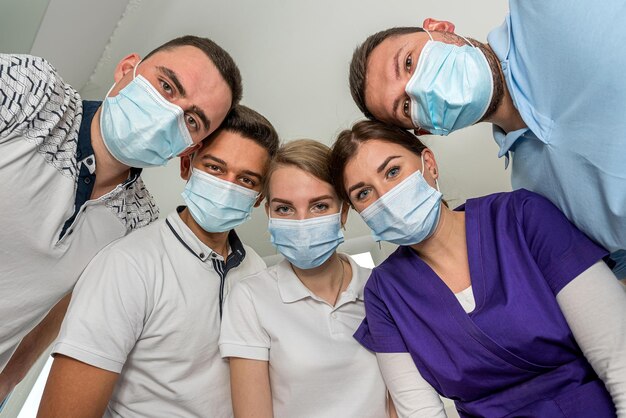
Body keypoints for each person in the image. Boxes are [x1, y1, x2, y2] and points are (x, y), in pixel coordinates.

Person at [329, 120, 626, 417]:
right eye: (363, 194)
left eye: (393, 172)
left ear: (429, 164)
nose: (385, 198)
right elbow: (421, 411)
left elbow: (619, 358)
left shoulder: (522, 217)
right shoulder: (385, 294)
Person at [0, 35, 242, 399]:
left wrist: (11, 378)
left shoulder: (138, 223)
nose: (170, 113)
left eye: (192, 120)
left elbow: (63, 305)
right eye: (166, 86)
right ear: (127, 67)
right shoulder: (33, 91)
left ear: (189, 148)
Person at [348, 4, 626, 280]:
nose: (419, 87)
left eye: (408, 62)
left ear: (440, 28)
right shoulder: (535, 197)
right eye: (406, 106)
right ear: (424, 130)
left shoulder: (547, 9)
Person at [37, 105, 278, 418]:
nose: (227, 186)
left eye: (246, 179)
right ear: (186, 165)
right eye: (216, 169)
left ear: (259, 197)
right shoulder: (127, 265)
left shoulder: (257, 271)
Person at [219, 139, 390, 418]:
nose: (302, 222)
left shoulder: (381, 289)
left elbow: (402, 396)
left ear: (343, 211)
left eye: (319, 206)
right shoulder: (250, 297)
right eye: (284, 209)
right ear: (270, 214)